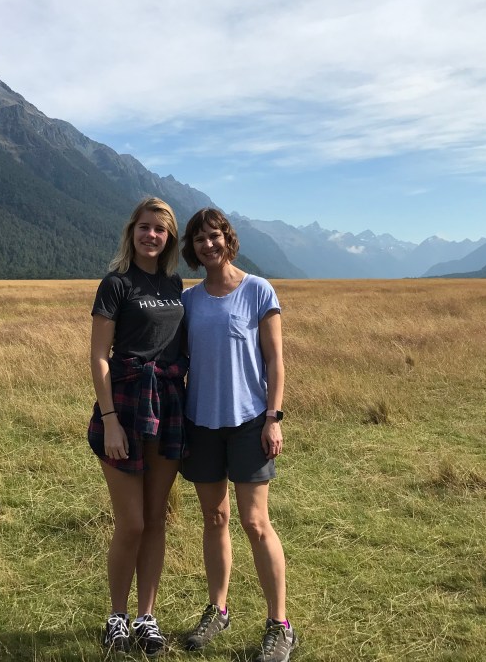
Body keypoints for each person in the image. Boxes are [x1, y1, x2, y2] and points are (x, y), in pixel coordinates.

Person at [178, 208, 298, 662]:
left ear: (228, 239)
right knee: (215, 520)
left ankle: (280, 624)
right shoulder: (189, 302)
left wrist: (274, 416)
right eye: (200, 239)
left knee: (255, 522)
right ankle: (218, 610)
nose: (208, 244)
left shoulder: (258, 290)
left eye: (215, 236)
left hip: (250, 422)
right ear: (192, 249)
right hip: (201, 424)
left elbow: (275, 361)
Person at [87, 197, 187, 655]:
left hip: (166, 404)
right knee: (131, 522)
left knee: (155, 520)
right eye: (145, 227)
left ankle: (147, 617)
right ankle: (116, 617)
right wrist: (109, 420)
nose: (151, 235)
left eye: (160, 230)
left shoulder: (173, 283)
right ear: (132, 231)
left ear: (169, 238)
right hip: (125, 405)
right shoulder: (116, 284)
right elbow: (98, 357)